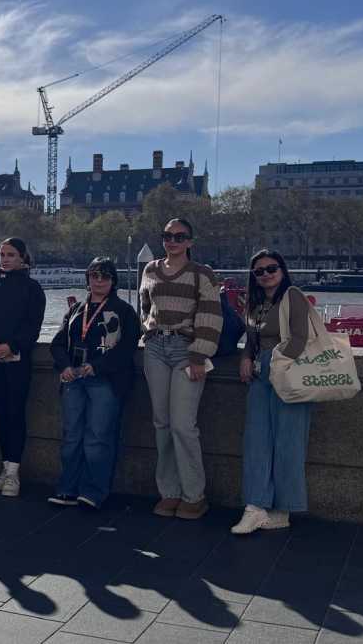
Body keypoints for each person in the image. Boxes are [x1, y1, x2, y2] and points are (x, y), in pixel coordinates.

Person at [140, 217, 222, 520]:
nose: (172, 241)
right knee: (161, 423)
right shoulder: (150, 270)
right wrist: (148, 332)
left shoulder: (202, 274)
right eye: (167, 236)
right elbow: (145, 307)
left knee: (183, 425)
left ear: (190, 241)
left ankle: (194, 495)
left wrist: (199, 355)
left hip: (186, 351)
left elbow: (211, 316)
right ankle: (170, 492)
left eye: (179, 236)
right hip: (155, 348)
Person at [232, 250, 313, 534]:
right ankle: (255, 506)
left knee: (289, 442)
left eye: (271, 268)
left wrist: (276, 364)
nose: (266, 274)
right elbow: (251, 340)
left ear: (283, 270)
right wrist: (246, 357)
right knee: (256, 440)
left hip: (287, 371)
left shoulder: (293, 296)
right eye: (259, 271)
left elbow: (300, 338)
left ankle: (283, 509)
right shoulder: (255, 303)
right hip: (260, 372)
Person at [49, 257, 140, 508]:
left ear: (114, 281)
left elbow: (127, 348)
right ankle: (67, 488)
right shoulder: (76, 309)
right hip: (74, 379)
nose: (99, 281)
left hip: (105, 381)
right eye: (94, 275)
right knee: (71, 436)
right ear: (87, 279)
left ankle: (93, 492)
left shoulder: (125, 311)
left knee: (98, 437)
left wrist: (97, 366)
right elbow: (57, 343)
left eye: (105, 276)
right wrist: (65, 366)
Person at [0, 237, 46, 497]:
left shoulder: (33, 289)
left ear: (22, 258)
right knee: (0, 413)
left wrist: (11, 346)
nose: (5, 259)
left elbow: (32, 327)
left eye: (11, 255)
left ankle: (14, 473)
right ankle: (5, 467)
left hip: (18, 361)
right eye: (2, 255)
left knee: (16, 414)